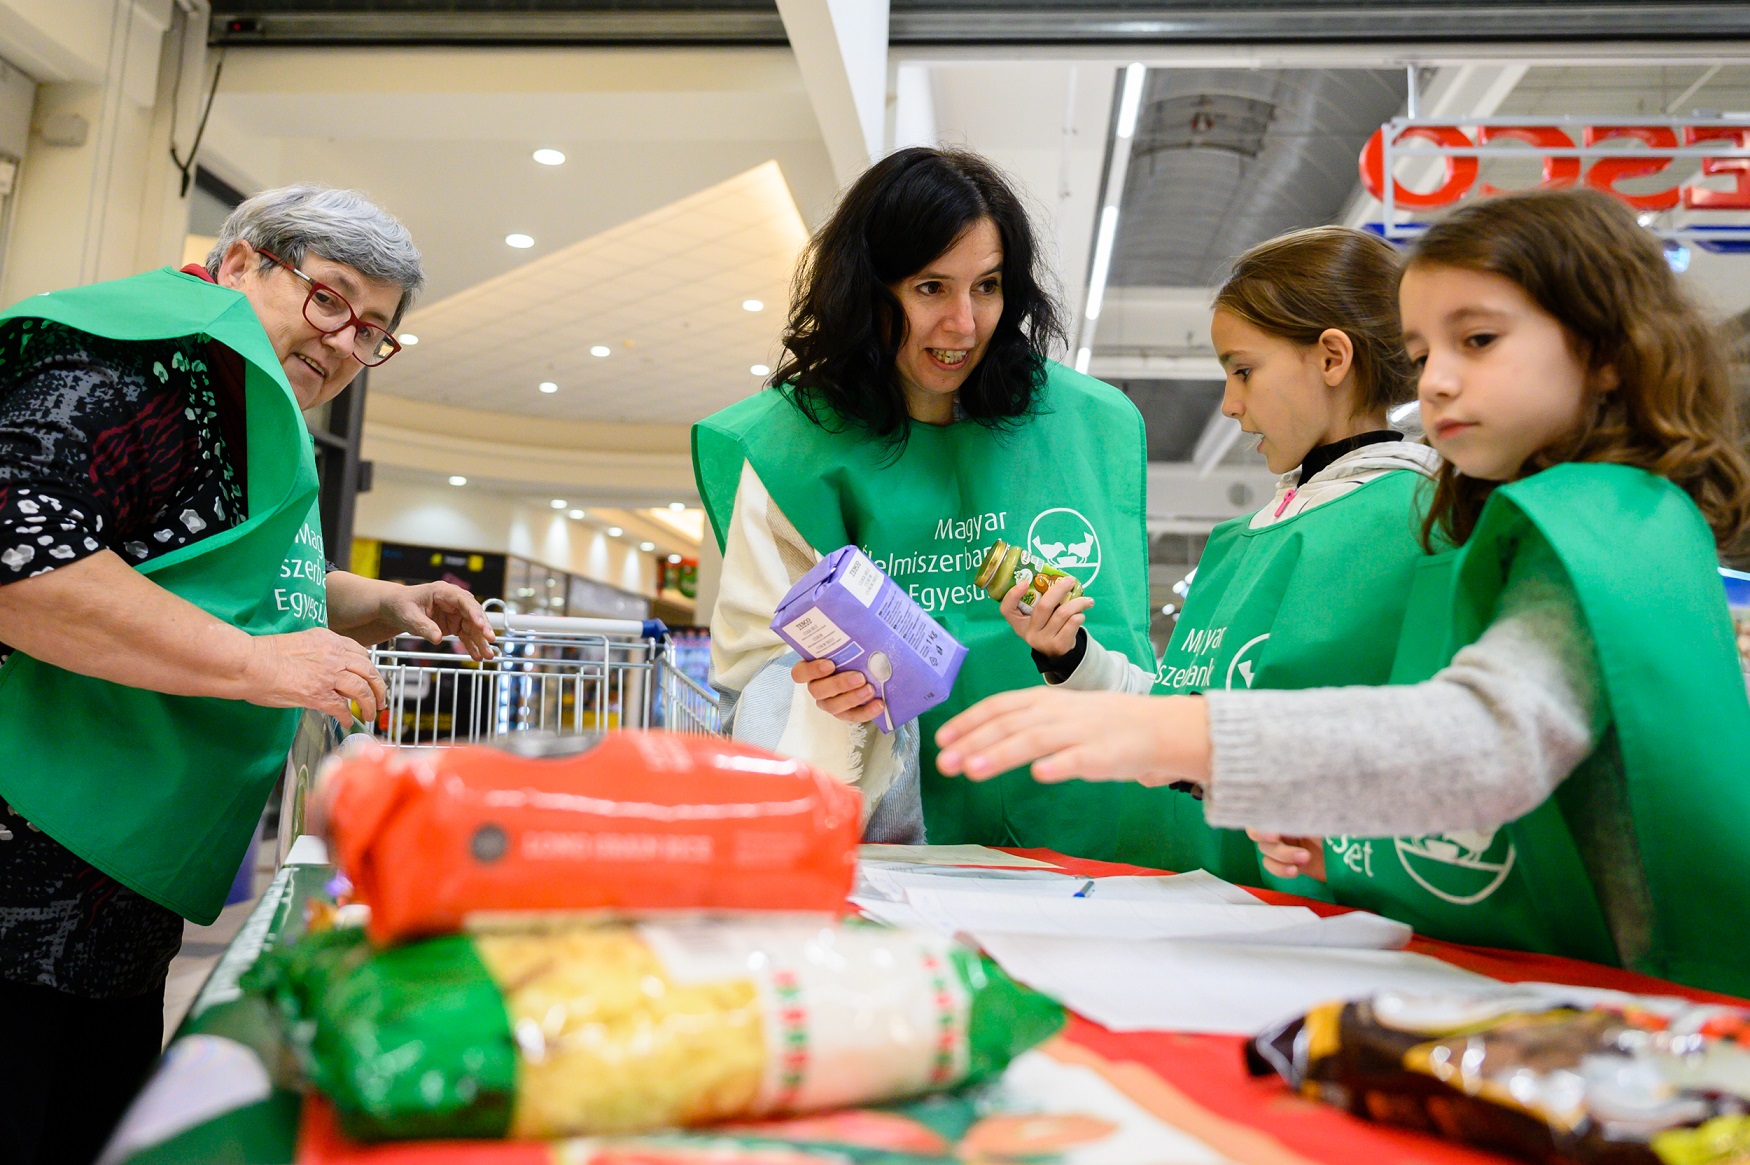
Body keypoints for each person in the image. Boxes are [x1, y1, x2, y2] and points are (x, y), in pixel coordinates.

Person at [936, 188, 1750, 998]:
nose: (1434, 383)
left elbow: (1482, 739)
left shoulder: (1604, 526)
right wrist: (1358, 832)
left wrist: (1184, 731)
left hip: (1649, 1002)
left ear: (1606, 350)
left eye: (1478, 339)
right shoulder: (1572, 517)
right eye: (1425, 355)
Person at [0, 184, 495, 1164]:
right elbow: (21, 565)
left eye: (373, 333)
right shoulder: (121, 359)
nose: (346, 344)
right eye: (330, 299)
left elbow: (228, 583)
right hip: (24, 878)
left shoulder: (248, 410)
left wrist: (381, 601)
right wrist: (259, 665)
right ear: (238, 264)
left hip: (120, 891)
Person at [693, 147, 1161, 856]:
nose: (964, 324)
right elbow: (756, 674)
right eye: (930, 288)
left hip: (1075, 838)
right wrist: (820, 702)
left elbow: (1126, 656)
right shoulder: (791, 449)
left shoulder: (1084, 427)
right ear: (867, 289)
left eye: (988, 286)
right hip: (886, 846)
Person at [1003, 226, 1437, 888]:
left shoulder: (1415, 522)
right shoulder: (1248, 536)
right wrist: (1072, 658)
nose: (1231, 405)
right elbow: (1185, 719)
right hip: (1214, 897)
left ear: (1330, 358)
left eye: (1243, 371)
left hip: (1327, 917)